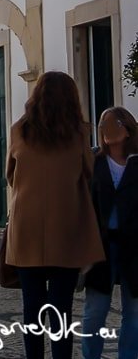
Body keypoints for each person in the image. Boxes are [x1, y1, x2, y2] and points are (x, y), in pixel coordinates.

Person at [5, 70, 104, 359]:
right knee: (61, 308)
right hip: (66, 229)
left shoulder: (19, 130)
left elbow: (10, 175)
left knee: (32, 309)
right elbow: (87, 174)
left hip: (26, 230)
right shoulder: (78, 133)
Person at [81, 106, 138, 359]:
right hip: (100, 246)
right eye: (102, 124)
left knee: (134, 314)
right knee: (94, 313)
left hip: (135, 247)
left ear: (127, 129)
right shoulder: (95, 162)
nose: (106, 129)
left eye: (112, 123)